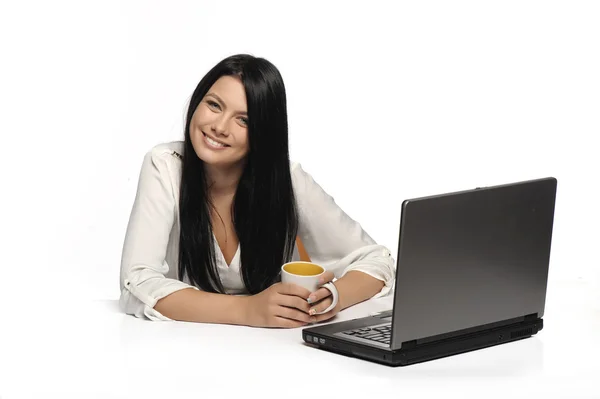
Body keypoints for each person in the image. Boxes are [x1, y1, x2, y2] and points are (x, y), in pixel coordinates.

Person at [119, 54, 396, 328]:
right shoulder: (166, 165)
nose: (219, 127)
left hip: (280, 351)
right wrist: (247, 310)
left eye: (244, 121)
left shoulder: (288, 180)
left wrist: (332, 297)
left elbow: (375, 259)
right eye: (214, 105)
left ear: (264, 132)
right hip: (180, 350)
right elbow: (137, 282)